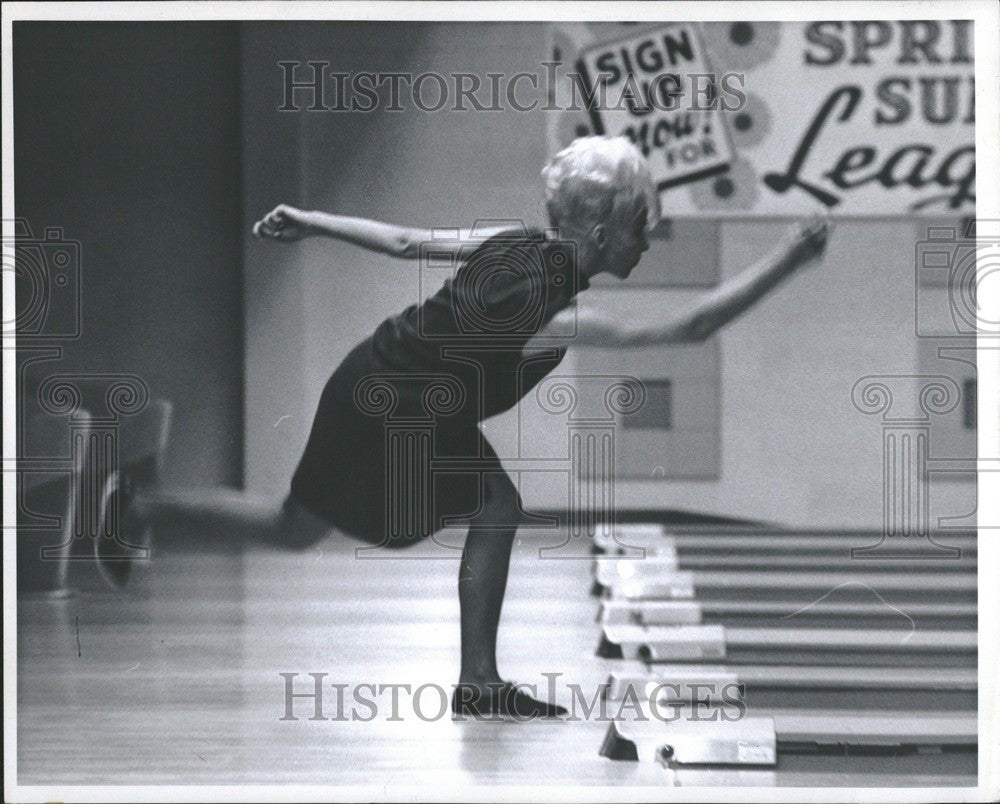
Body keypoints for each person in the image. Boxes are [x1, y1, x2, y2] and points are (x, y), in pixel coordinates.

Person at [110, 136, 830, 719]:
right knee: (412, 515)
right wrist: (789, 260)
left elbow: (403, 242)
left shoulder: (509, 240)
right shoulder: (556, 315)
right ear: (606, 230)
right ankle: (478, 679)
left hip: (379, 379)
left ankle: (138, 510)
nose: (648, 239)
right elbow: (692, 326)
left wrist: (311, 220)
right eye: (643, 225)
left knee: (306, 526)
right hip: (395, 406)